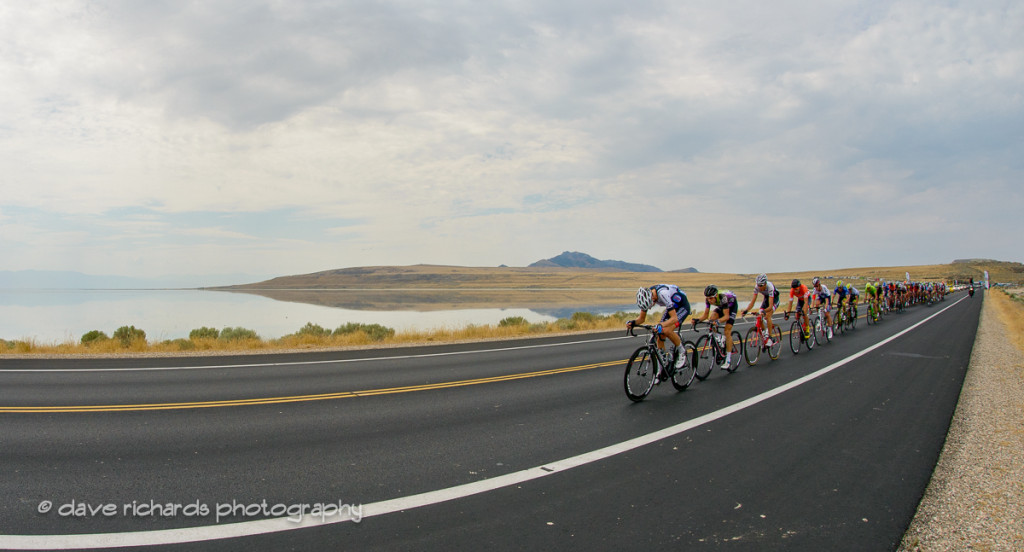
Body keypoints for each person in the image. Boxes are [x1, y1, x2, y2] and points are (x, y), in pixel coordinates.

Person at [627, 285, 692, 377]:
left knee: (667, 330)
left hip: (682, 306)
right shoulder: (647, 295)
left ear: (652, 298)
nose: (650, 308)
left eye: (651, 304)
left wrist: (660, 325)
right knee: (659, 332)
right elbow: (641, 319)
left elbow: (674, 318)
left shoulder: (663, 294)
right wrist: (633, 322)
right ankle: (662, 364)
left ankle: (682, 352)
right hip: (672, 306)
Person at [691, 285, 739, 369]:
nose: (709, 300)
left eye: (711, 298)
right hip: (722, 307)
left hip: (732, 307)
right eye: (707, 298)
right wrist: (697, 320)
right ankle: (719, 338)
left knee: (727, 331)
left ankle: (728, 360)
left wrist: (718, 321)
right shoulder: (708, 299)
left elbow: (727, 316)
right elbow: (705, 316)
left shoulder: (723, 297)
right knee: (711, 319)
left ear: (716, 295)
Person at [741, 273, 779, 346]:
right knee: (759, 315)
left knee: (767, 316)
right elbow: (753, 302)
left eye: (761, 285)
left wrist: (764, 311)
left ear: (765, 284)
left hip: (774, 299)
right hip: (766, 298)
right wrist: (746, 310)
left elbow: (770, 306)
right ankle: (765, 334)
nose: (759, 287)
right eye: (758, 285)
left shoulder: (770, 287)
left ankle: (770, 338)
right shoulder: (756, 287)